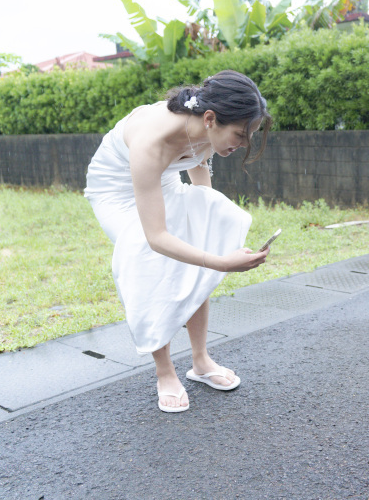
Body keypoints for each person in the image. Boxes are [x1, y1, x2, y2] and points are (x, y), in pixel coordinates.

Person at [85, 70, 272, 413]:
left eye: (250, 136)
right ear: (211, 119)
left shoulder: (206, 125)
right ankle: (164, 371)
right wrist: (219, 262)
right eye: (240, 135)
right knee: (155, 261)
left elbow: (200, 177)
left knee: (195, 244)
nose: (243, 144)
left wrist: (208, 234)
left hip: (164, 181)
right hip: (117, 193)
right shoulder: (150, 141)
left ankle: (200, 361)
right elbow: (156, 238)